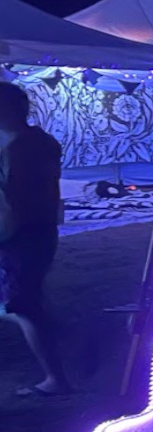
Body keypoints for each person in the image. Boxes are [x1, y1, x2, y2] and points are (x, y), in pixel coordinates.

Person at [0, 82, 70, 397]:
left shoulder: (17, 149)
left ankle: (56, 377)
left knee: (24, 306)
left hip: (20, 234)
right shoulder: (43, 141)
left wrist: (5, 235)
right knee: (26, 301)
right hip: (39, 230)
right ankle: (67, 341)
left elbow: (14, 201)